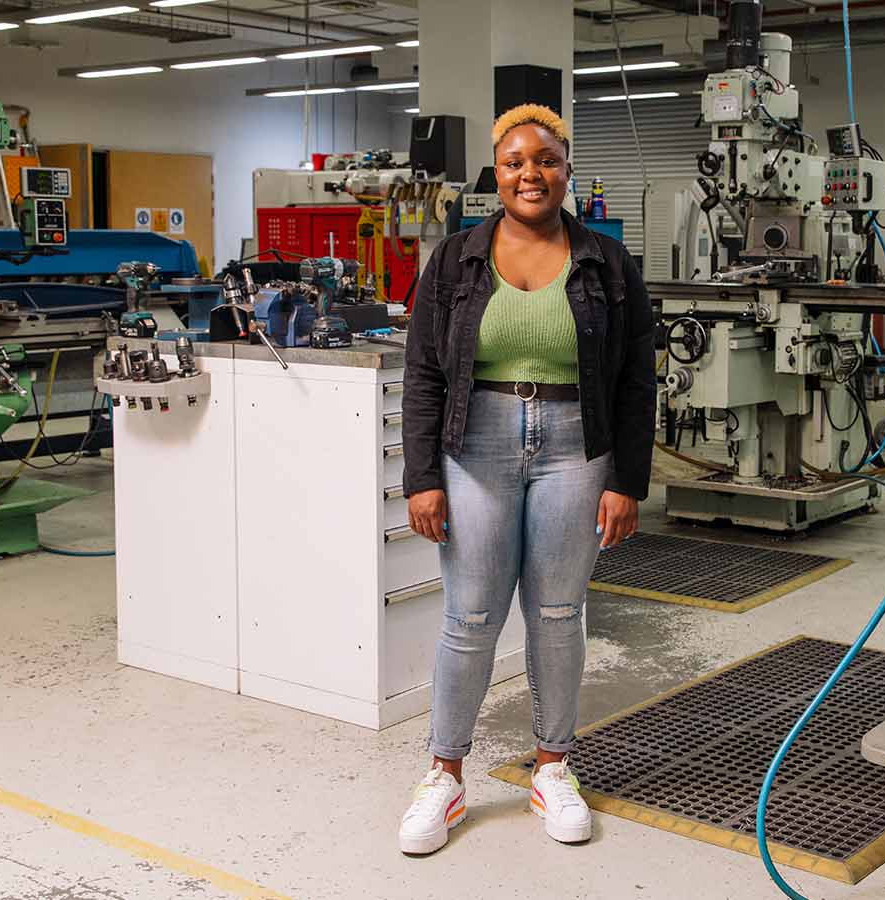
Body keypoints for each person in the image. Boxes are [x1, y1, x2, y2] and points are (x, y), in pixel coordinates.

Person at [397, 103, 656, 854]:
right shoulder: (454, 260)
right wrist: (423, 476)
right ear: (497, 174)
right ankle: (443, 777)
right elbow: (422, 374)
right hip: (474, 443)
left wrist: (627, 480)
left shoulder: (607, 260)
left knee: (555, 612)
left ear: (565, 169)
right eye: (514, 162)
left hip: (578, 445)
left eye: (544, 159)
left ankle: (553, 766)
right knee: (471, 615)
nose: (530, 174)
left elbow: (639, 377)